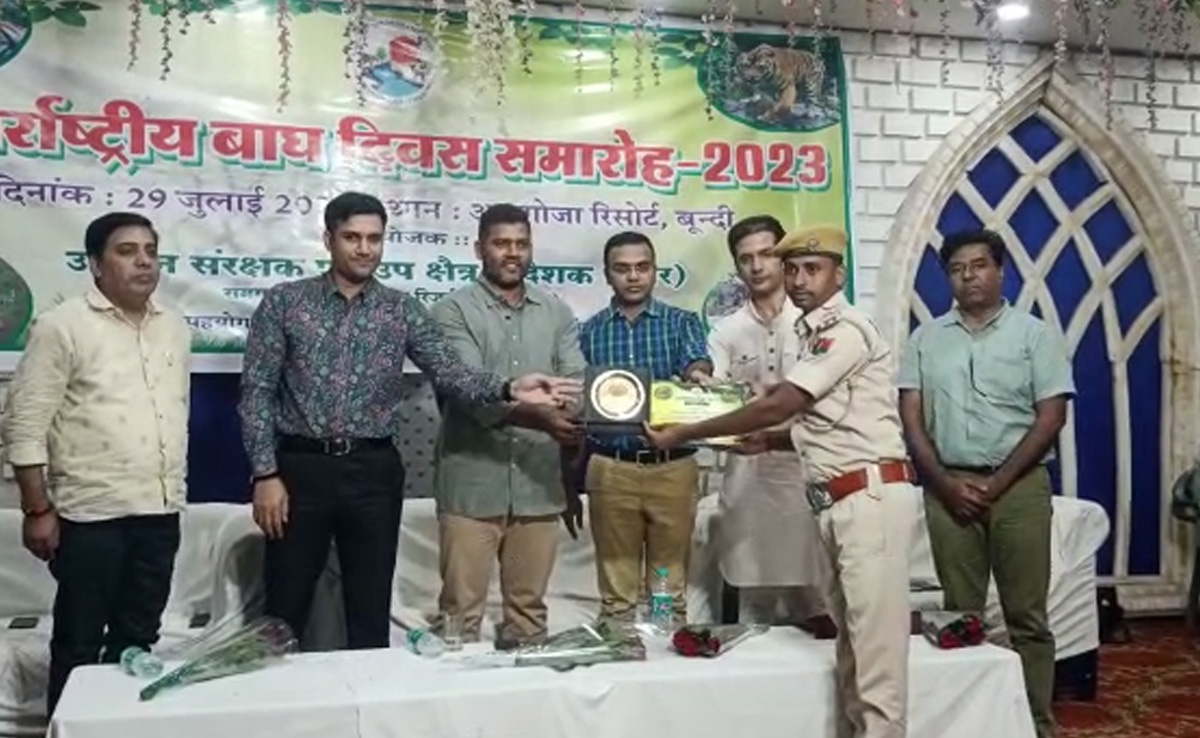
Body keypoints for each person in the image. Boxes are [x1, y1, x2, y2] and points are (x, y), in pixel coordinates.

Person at [238, 192, 580, 651]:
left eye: (374, 239)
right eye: (352, 238)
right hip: (301, 471)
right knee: (285, 605)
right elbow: (256, 391)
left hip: (373, 472)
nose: (365, 249)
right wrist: (265, 473)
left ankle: (371, 691)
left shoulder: (401, 309)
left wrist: (508, 387)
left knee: (370, 608)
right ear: (328, 239)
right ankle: (275, 689)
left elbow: (452, 373)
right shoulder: (285, 302)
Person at [644, 226, 918, 738]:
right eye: (792, 269)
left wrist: (685, 432)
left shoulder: (844, 331)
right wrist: (768, 443)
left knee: (876, 661)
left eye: (813, 269)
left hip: (868, 499)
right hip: (840, 500)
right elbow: (831, 426)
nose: (799, 280)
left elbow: (782, 404)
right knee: (853, 650)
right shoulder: (811, 334)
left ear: (839, 275)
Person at [1, 212, 190, 714]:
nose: (144, 261)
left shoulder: (173, 327)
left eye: (151, 251)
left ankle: (121, 725)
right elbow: (24, 424)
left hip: (159, 511)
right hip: (90, 517)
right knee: (80, 641)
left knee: (138, 641)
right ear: (96, 264)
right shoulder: (62, 327)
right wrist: (37, 509)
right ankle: (69, 726)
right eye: (127, 251)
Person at [897, 229, 1073, 738]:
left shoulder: (1034, 335)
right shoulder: (925, 339)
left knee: (1027, 617)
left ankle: (1036, 724)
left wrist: (996, 484)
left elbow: (1051, 417)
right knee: (958, 618)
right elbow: (911, 420)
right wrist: (945, 483)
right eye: (957, 269)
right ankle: (970, 726)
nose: (968, 276)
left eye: (978, 265)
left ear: (1000, 271)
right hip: (947, 488)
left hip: (1019, 488)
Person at [429, 204, 588, 649]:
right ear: (479, 248)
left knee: (529, 613)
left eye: (521, 244)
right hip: (472, 486)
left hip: (538, 484)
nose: (512, 253)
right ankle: (454, 692)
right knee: (460, 614)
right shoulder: (451, 311)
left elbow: (575, 384)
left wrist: (564, 411)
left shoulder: (556, 313)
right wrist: (537, 413)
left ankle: (526, 694)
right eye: (501, 243)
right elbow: (468, 390)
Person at [577, 230, 713, 625]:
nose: (633, 276)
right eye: (622, 269)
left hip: (672, 466)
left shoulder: (682, 323)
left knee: (667, 579)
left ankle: (665, 640)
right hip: (611, 466)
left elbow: (696, 361)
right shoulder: (588, 332)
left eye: (642, 267)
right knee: (616, 581)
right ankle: (619, 642)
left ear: (655, 271)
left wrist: (698, 374)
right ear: (607, 274)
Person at [707, 215, 830, 631]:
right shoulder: (726, 331)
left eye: (766, 254)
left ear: (783, 258)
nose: (757, 266)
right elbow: (717, 401)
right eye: (746, 259)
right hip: (749, 478)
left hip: (809, 473)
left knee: (818, 604)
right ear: (736, 266)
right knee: (751, 603)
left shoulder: (818, 323)